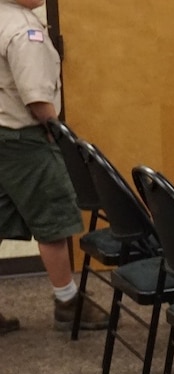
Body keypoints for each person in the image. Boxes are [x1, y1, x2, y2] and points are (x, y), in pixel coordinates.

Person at [0, 0, 107, 334]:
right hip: (25, 140)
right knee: (54, 219)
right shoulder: (23, 29)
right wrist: (56, 132)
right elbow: (36, 98)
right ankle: (68, 303)